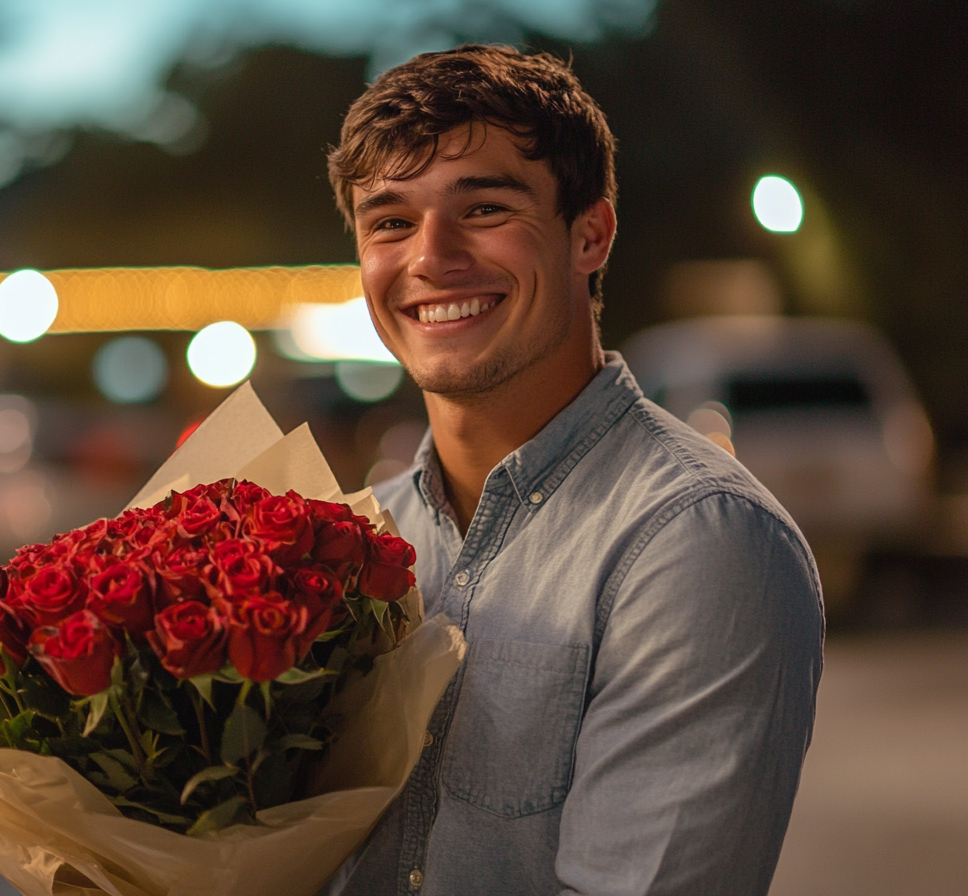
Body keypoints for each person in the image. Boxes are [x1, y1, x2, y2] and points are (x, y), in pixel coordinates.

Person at [323, 45, 824, 895]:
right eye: (391, 221)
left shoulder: (698, 545)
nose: (430, 257)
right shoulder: (350, 543)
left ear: (590, 233)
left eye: (483, 207)